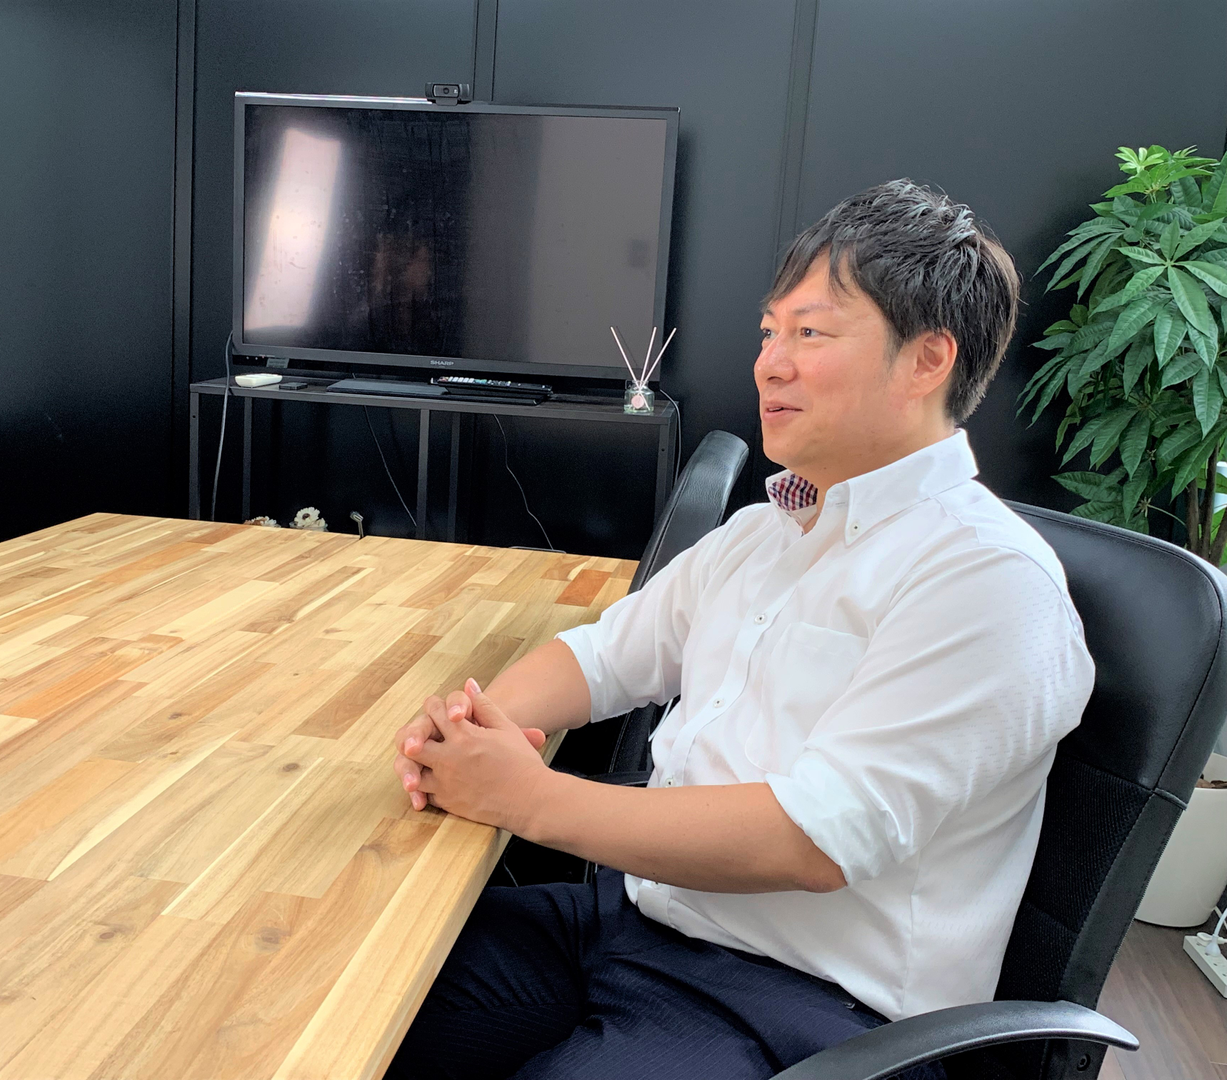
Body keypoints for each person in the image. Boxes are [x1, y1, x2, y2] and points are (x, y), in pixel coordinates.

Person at [385, 179, 1095, 1080]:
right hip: (636, 922)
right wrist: (470, 727)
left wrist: (525, 798)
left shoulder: (986, 579)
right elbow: (603, 657)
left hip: (813, 1006)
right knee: (355, 989)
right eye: (769, 332)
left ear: (927, 360)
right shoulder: (765, 531)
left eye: (811, 333)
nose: (768, 364)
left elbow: (814, 838)